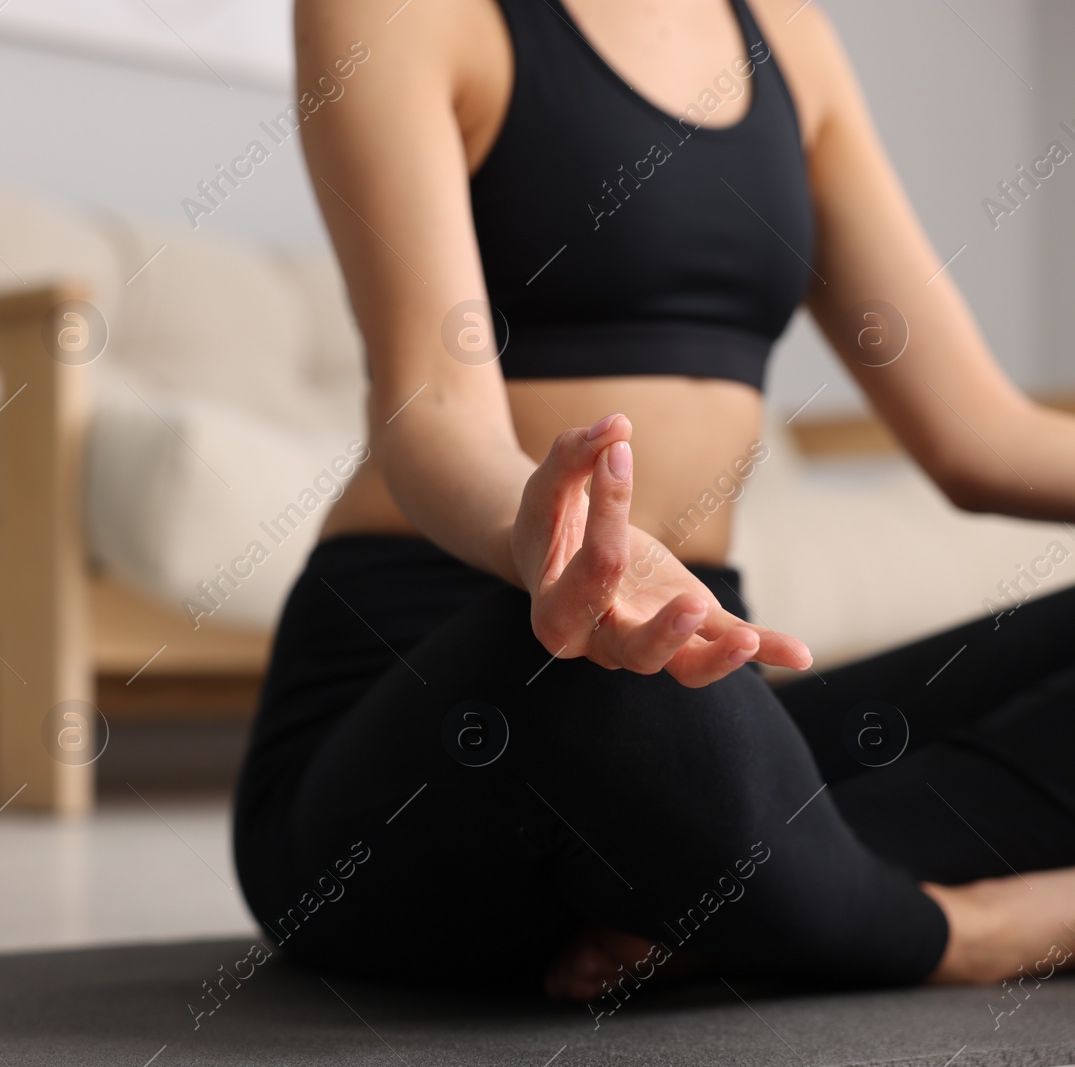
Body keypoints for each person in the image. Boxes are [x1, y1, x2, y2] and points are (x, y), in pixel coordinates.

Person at [231, 0, 1075, 1002]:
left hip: (693, 712)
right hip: (447, 709)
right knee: (593, 678)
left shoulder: (785, 32)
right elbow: (431, 416)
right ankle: (963, 928)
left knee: (682, 715)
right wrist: (560, 544)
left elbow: (976, 435)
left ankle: (723, 902)